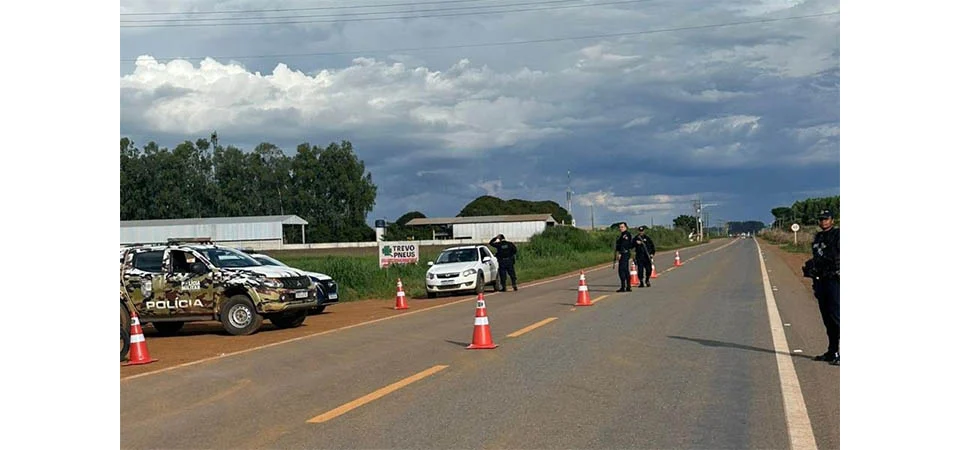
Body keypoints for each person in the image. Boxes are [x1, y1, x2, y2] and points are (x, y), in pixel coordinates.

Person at [803, 209, 840, 366]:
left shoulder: (838, 235)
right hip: (821, 281)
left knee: (837, 316)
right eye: (821, 219)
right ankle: (832, 351)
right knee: (827, 319)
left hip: (834, 280)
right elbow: (817, 256)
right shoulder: (818, 237)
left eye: (826, 219)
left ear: (832, 220)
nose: (824, 221)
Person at [614, 222, 633, 292]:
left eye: (622, 227)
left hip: (624, 253)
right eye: (620, 227)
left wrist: (620, 253)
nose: (620, 228)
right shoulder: (622, 235)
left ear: (625, 227)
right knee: (625, 270)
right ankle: (627, 286)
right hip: (624, 253)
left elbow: (624, 245)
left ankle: (624, 286)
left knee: (622, 270)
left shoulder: (626, 235)